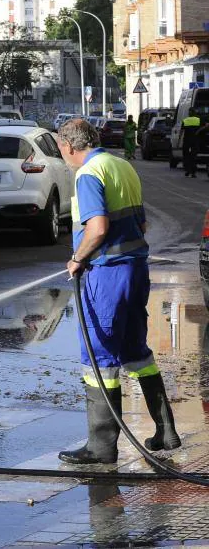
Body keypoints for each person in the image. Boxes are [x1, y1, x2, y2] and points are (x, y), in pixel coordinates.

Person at [55, 119, 181, 465]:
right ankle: (166, 430)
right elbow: (141, 224)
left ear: (68, 146)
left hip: (107, 273)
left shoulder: (88, 173)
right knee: (135, 351)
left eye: (60, 148)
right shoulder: (121, 166)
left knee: (99, 357)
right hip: (135, 269)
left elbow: (97, 227)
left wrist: (77, 259)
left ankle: (101, 445)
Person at [181, 107, 201, 178]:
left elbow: (181, 132)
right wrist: (197, 132)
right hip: (195, 141)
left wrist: (179, 141)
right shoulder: (198, 120)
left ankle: (187, 170)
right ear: (194, 112)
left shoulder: (185, 120)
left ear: (189, 113)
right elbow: (205, 126)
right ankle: (193, 172)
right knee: (193, 157)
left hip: (187, 141)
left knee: (186, 156)